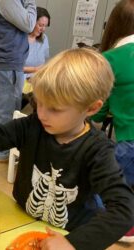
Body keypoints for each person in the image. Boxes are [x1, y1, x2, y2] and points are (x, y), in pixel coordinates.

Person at [0, 48, 134, 249]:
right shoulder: (32, 126)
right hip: (21, 221)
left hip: (71, 234)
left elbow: (124, 210)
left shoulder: (98, 150)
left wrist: (73, 244)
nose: (41, 114)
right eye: (38, 103)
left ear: (91, 108)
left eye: (55, 109)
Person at [91, 0, 134, 242]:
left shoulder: (111, 58)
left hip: (131, 139)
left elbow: (97, 111)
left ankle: (121, 228)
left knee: (100, 185)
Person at [0, 0, 37, 162]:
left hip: (3, 63)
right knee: (7, 110)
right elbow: (29, 24)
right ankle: (3, 152)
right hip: (6, 63)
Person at [23, 6, 50, 79]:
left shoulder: (44, 39)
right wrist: (35, 69)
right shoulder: (20, 38)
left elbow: (45, 62)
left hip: (38, 81)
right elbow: (12, 67)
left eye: (45, 26)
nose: (43, 29)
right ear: (32, 22)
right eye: (40, 25)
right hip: (21, 81)